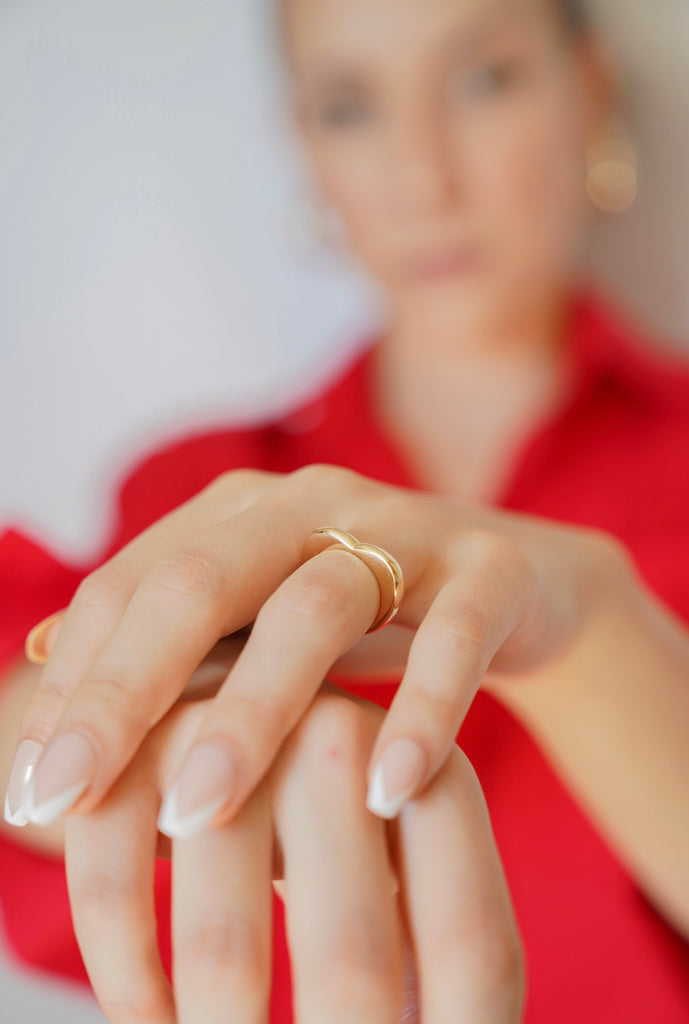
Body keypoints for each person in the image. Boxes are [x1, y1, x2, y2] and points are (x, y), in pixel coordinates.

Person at [2, 0, 689, 1020]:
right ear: (305, 149)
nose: (420, 177)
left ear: (586, 90)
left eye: (482, 79)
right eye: (348, 106)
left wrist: (585, 631)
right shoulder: (195, 488)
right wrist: (96, 737)